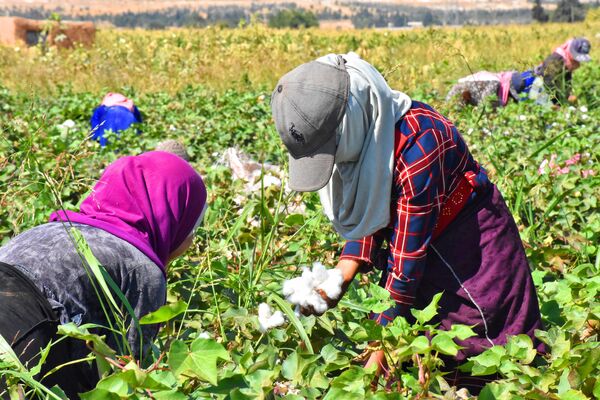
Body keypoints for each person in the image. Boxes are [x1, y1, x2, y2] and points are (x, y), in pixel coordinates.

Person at [271, 53, 544, 393]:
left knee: (487, 356)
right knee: (430, 354)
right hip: (423, 250)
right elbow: (375, 208)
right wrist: (340, 274)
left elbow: (404, 268)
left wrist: (373, 361)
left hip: (471, 252)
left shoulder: (418, 146)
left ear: (350, 120)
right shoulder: (369, 134)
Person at [0, 151, 207, 398]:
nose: (192, 239)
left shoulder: (48, 228)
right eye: (193, 227)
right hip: (23, 330)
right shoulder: (141, 267)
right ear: (173, 217)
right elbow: (126, 374)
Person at [534, 37, 592, 104]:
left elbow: (567, 82)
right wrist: (557, 103)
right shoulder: (555, 60)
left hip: (553, 95)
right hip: (540, 92)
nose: (577, 62)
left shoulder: (568, 62)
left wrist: (568, 96)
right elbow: (547, 83)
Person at [446, 69, 535, 107]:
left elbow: (487, 106)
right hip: (507, 81)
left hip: (510, 81)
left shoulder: (488, 85)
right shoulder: (460, 91)